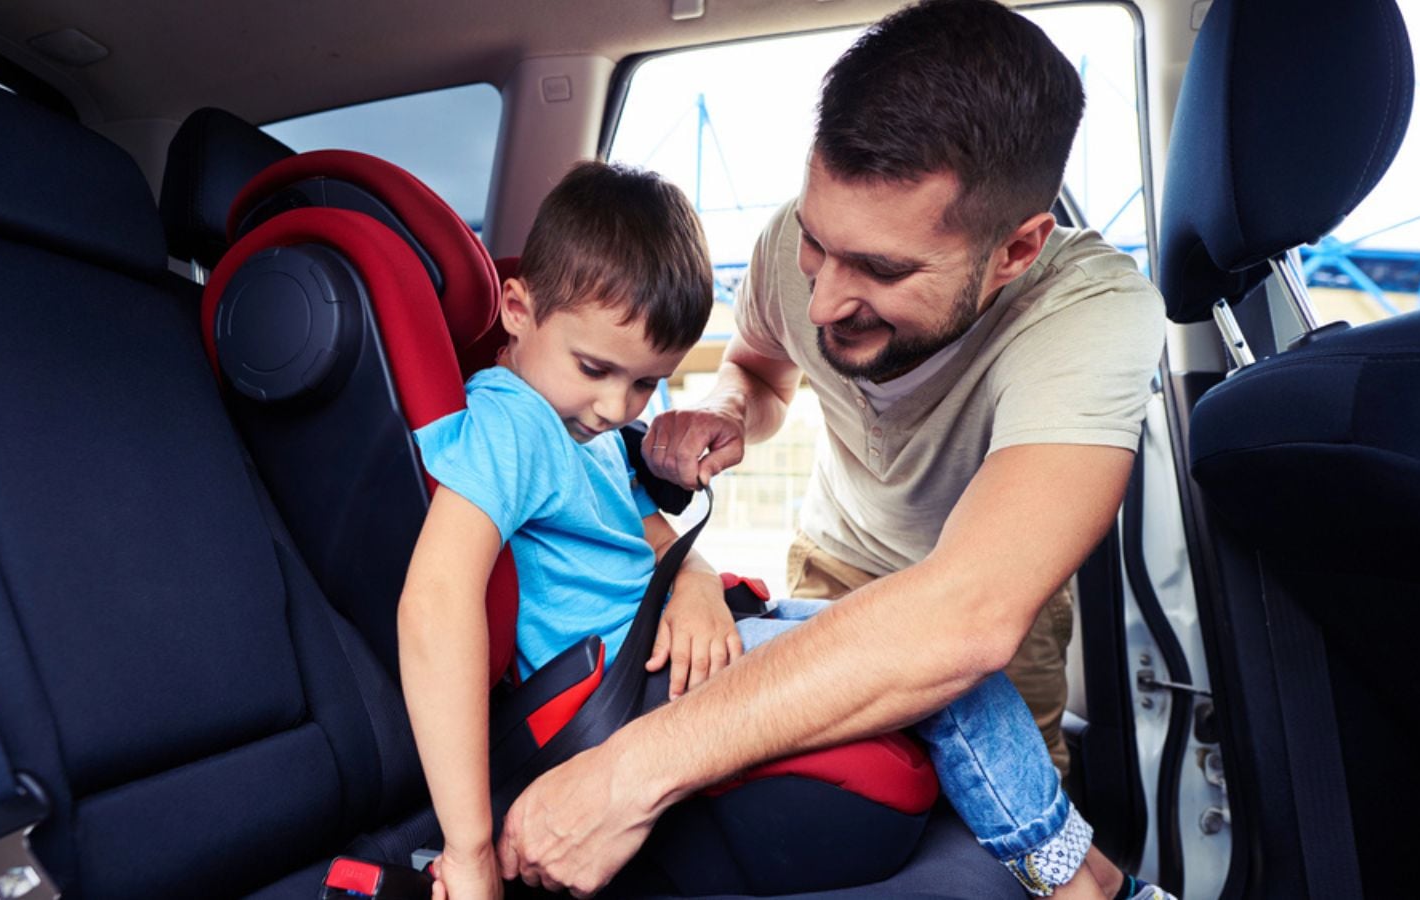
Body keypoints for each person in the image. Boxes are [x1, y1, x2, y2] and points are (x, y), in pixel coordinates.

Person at [494, 1, 1170, 899]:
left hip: (980, 621)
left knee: (1015, 856)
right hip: (833, 568)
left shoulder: (1090, 314)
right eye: (818, 244)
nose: (820, 302)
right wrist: (730, 411)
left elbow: (964, 617)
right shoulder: (790, 250)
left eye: (882, 272)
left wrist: (623, 777)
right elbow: (763, 370)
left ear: (1014, 250)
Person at [399, 161, 1120, 900]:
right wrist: (469, 848)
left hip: (664, 644)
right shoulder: (511, 420)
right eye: (595, 368)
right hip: (624, 683)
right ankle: (1076, 883)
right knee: (954, 680)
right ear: (516, 309)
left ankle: (1089, 873)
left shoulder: (578, 429)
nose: (618, 406)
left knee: (922, 636)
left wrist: (698, 585)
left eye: (647, 383)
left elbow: (653, 540)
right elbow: (437, 602)